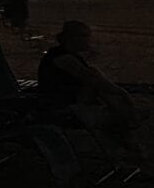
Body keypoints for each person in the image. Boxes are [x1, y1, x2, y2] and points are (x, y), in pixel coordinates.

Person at [38, 20, 142, 161]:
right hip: (60, 103)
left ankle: (125, 127)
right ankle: (126, 127)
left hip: (70, 98)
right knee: (99, 84)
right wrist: (123, 93)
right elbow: (93, 80)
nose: (88, 39)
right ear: (72, 38)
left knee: (98, 80)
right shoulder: (62, 58)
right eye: (84, 36)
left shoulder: (68, 56)